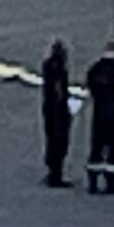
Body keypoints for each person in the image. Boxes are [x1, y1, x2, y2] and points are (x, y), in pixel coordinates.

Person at [83, 42, 114, 195]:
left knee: (96, 146)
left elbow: (89, 87)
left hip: (99, 112)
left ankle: (93, 183)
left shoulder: (95, 68)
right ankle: (111, 183)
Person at [40, 39, 74, 188]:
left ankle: (52, 171)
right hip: (58, 109)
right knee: (60, 141)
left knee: (50, 139)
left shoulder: (47, 66)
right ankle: (56, 175)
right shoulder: (59, 70)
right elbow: (59, 90)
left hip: (48, 107)